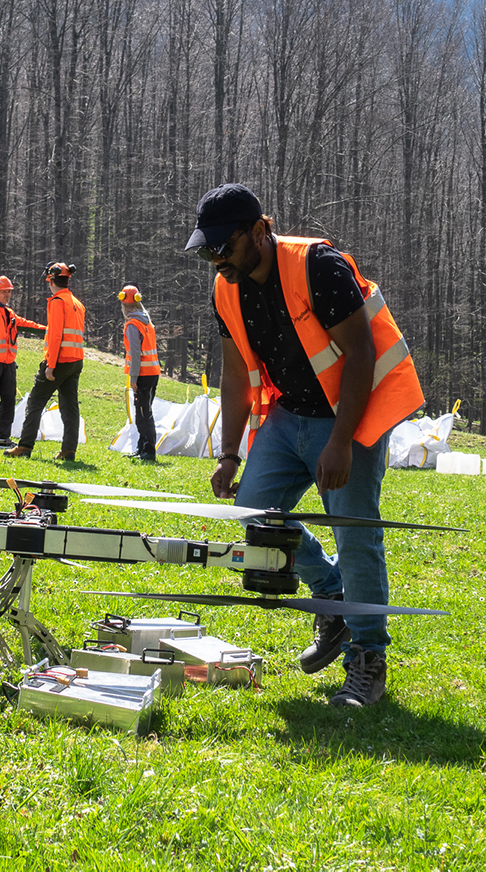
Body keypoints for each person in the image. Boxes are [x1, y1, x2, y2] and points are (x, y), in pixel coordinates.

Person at [184, 183, 424, 707]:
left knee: (356, 535)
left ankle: (368, 658)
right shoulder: (226, 287)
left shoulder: (319, 267)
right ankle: (332, 595)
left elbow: (361, 354)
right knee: (254, 514)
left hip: (349, 418)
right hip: (289, 414)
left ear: (259, 231)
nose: (216, 260)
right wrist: (229, 452)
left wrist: (341, 443)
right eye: (208, 250)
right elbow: (232, 370)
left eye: (224, 247)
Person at [5, 262, 85, 461]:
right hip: (76, 360)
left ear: (51, 280)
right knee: (70, 407)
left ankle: (24, 446)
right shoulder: (77, 303)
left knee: (35, 402)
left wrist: (50, 365)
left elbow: (56, 335)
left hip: (60, 361)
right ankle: (68, 450)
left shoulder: (58, 302)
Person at [0, 275, 45, 443]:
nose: (7, 295)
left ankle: (4, 435)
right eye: (3, 292)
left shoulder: (10, 313)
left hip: (8, 364)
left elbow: (27, 324)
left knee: (8, 399)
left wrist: (48, 329)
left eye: (9, 292)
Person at [119, 284, 161, 461]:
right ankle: (141, 447)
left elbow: (136, 354)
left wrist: (133, 377)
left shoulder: (132, 325)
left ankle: (148, 452)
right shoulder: (146, 321)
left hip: (142, 375)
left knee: (143, 414)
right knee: (145, 411)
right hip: (153, 373)